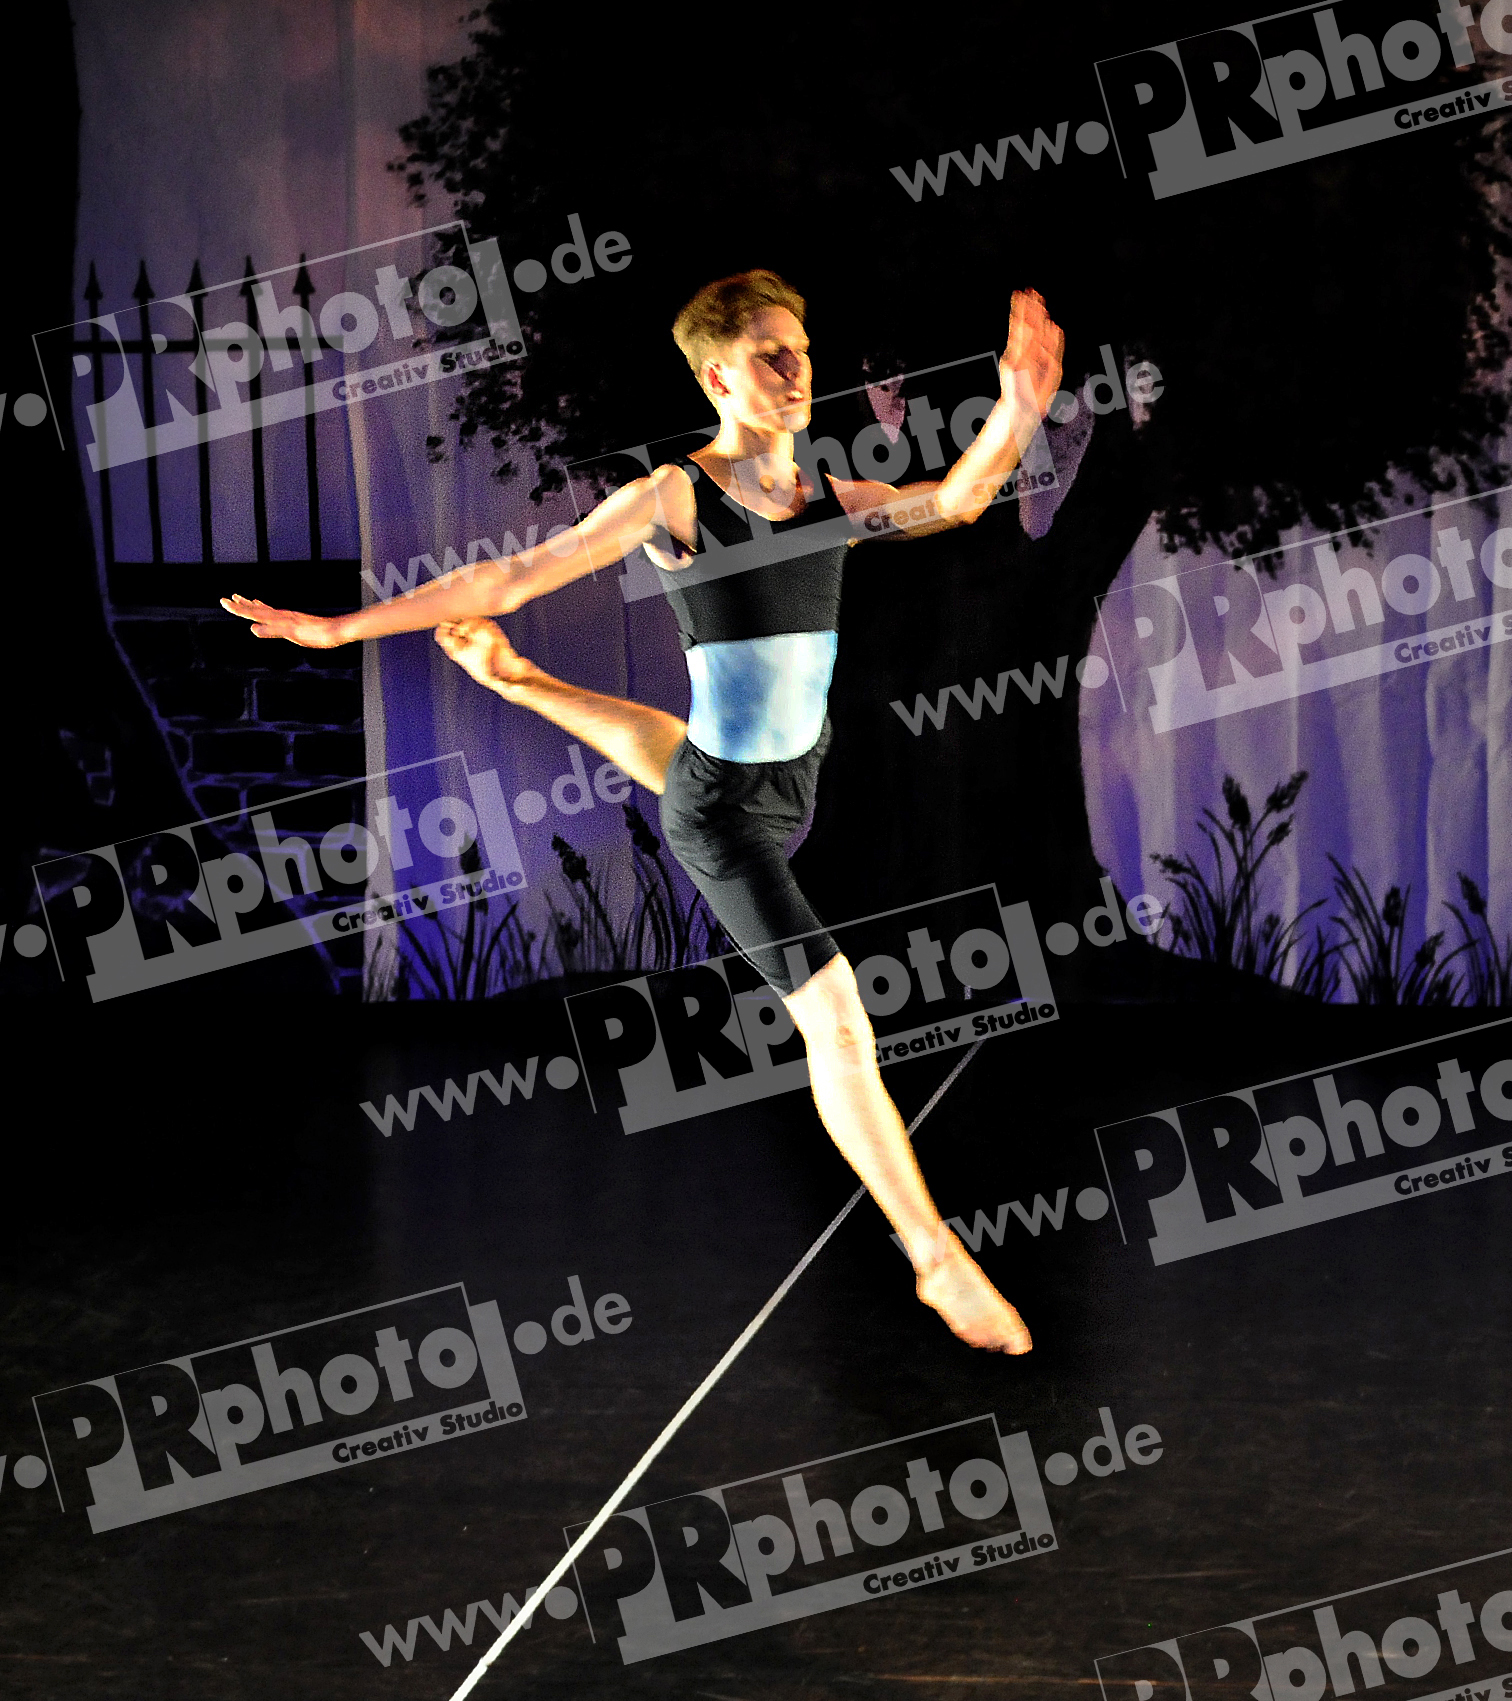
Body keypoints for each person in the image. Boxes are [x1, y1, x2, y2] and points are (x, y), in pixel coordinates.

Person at [222, 270, 1064, 1353]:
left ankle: (519, 682)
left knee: (683, 757)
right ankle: (934, 1257)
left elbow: (955, 500)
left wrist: (1018, 407)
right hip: (729, 820)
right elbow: (517, 573)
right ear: (716, 378)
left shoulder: (831, 498)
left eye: (800, 350)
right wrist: (340, 631)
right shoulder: (676, 496)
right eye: (766, 354)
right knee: (834, 1011)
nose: (793, 369)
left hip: (780, 779)